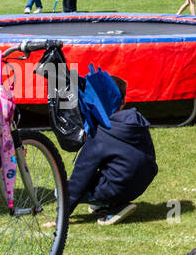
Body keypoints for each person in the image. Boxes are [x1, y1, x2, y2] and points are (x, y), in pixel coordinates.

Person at [65, 79, 158, 220]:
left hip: (117, 187)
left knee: (60, 190)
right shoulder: (137, 121)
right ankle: (112, 201)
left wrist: (62, 215)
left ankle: (114, 204)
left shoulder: (99, 132)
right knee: (119, 166)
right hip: (141, 183)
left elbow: (81, 175)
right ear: (123, 102)